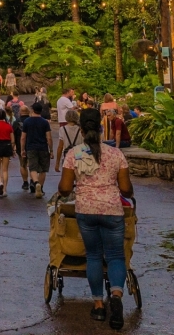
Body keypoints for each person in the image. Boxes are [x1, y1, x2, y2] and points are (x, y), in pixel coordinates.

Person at [58, 108, 133, 330]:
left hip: (86, 210)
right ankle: (117, 296)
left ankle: (99, 306)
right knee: (116, 256)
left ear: (81, 130)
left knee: (92, 255)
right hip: (112, 211)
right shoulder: (116, 154)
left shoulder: (74, 154)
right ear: (101, 130)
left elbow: (63, 188)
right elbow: (126, 189)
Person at [21, 102, 53, 198]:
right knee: (43, 169)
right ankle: (41, 188)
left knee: (33, 168)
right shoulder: (45, 122)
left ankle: (36, 182)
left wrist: (22, 149)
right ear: (41, 111)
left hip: (31, 147)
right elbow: (49, 137)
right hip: (43, 147)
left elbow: (23, 137)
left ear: (32, 110)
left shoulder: (27, 121)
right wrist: (51, 150)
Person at [14, 104, 30, 191]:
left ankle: (25, 182)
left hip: (20, 146)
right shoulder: (32, 120)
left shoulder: (16, 122)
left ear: (20, 112)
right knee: (32, 165)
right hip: (31, 145)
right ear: (28, 112)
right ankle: (33, 181)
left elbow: (13, 135)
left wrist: (13, 146)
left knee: (23, 165)